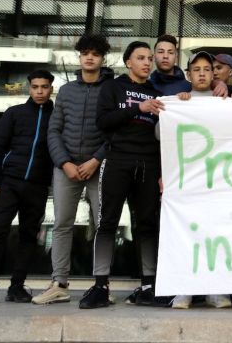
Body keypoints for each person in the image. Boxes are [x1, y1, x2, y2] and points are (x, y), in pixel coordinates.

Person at [78, 41, 164, 309]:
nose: (147, 62)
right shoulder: (113, 87)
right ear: (128, 62)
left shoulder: (156, 92)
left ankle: (148, 284)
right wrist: (138, 108)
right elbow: (103, 122)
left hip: (148, 164)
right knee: (108, 223)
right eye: (141, 58)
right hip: (118, 160)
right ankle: (101, 285)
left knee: (147, 225)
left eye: (150, 58)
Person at [32, 35, 114, 305]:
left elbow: (115, 132)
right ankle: (59, 282)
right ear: (79, 57)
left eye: (95, 54)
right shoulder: (66, 91)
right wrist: (64, 163)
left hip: (98, 167)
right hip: (65, 167)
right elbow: (53, 130)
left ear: (103, 58)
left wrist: (96, 160)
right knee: (62, 224)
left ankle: (102, 284)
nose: (89, 58)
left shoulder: (111, 89)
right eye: (85, 53)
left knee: (103, 226)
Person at [0, 70, 55, 305]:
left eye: (44, 87)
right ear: (29, 88)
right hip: (9, 182)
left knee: (28, 236)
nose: (39, 91)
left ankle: (17, 287)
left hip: (38, 185)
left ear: (51, 88)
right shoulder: (14, 114)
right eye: (35, 87)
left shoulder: (57, 116)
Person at [169, 51, 232, 309]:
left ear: (214, 73)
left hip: (219, 180)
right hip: (187, 182)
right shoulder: (179, 102)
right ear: (188, 74)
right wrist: (176, 109)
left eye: (208, 69)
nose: (203, 73)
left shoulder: (226, 101)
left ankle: (215, 290)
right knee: (186, 233)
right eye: (197, 69)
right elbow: (160, 135)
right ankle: (185, 289)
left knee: (217, 234)